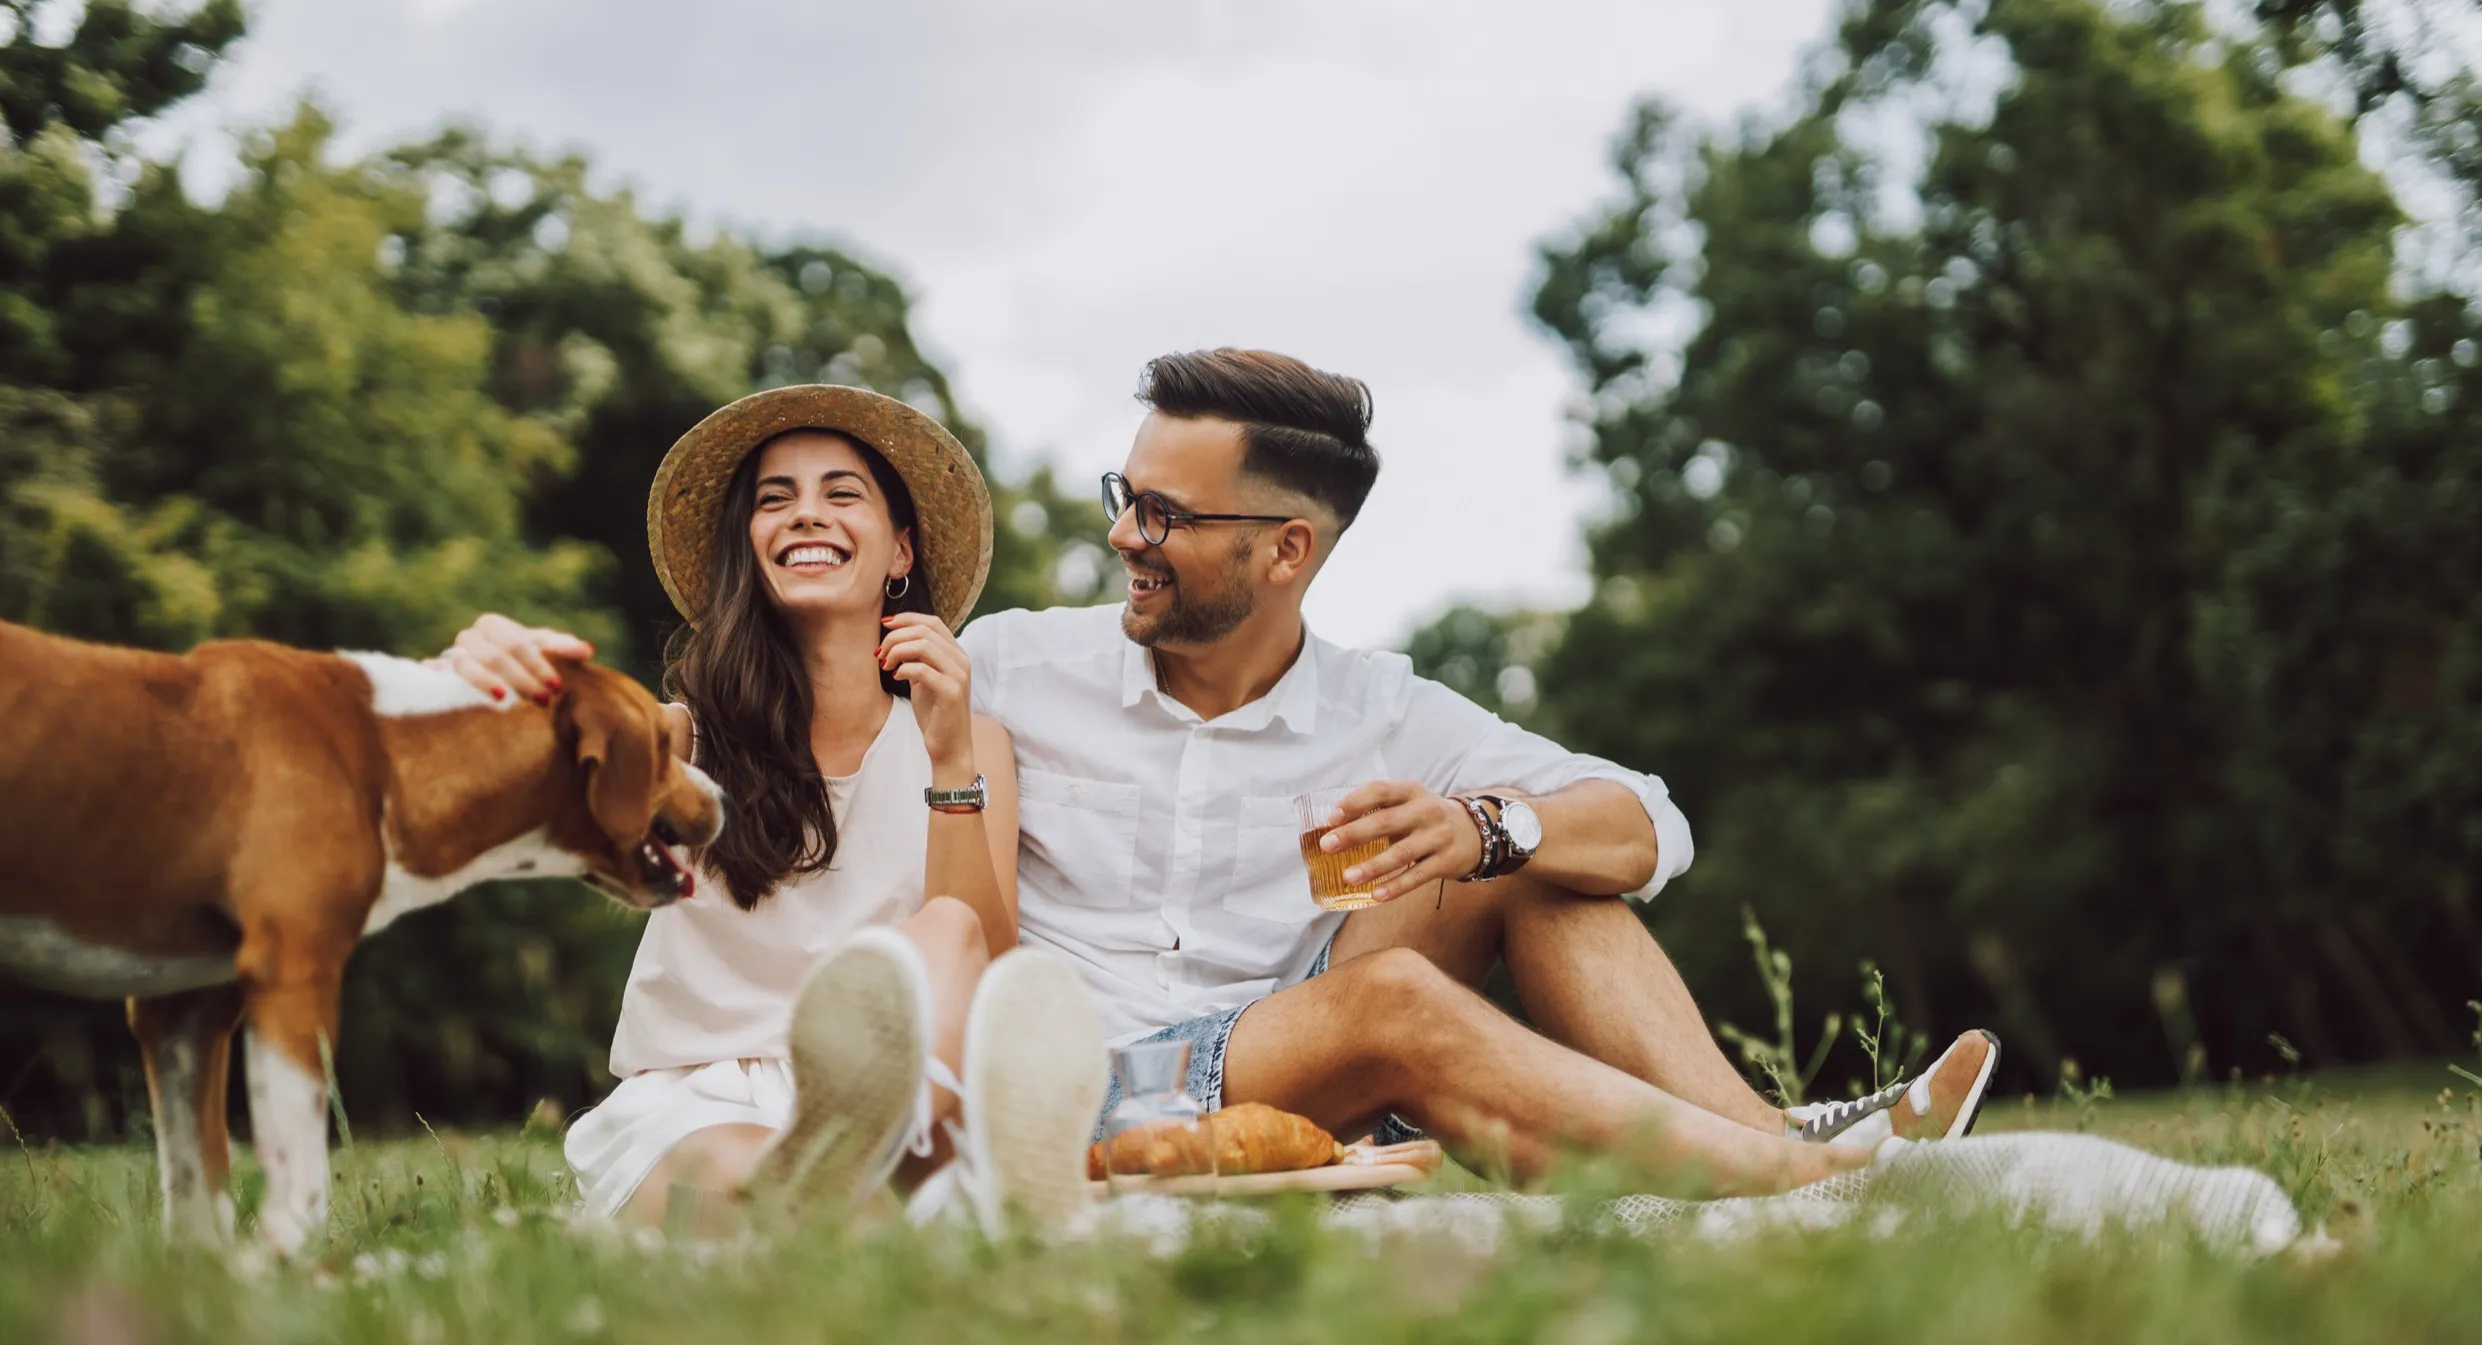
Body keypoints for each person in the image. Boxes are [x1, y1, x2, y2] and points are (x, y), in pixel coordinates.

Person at [451, 352, 1996, 1201]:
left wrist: (1484, 821)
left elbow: (1649, 817)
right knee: (1391, 1005)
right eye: (1125, 495)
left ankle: (1783, 1146)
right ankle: (1806, 1183)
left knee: (1529, 864)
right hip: (1073, 1065)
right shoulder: (1026, 668)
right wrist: (501, 670)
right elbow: (831, 721)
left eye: (1163, 514)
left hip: (1274, 1044)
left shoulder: (1381, 707)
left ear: (1283, 550)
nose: (1123, 530)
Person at [503, 386, 1109, 1232]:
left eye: (841, 493)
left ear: (901, 550)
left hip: (910, 1096)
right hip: (705, 1104)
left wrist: (948, 761)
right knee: (772, 1187)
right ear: (749, 548)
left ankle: (898, 1171)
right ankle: (927, 1197)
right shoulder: (687, 738)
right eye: (774, 500)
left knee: (950, 930)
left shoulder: (971, 747)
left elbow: (986, 968)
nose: (805, 516)